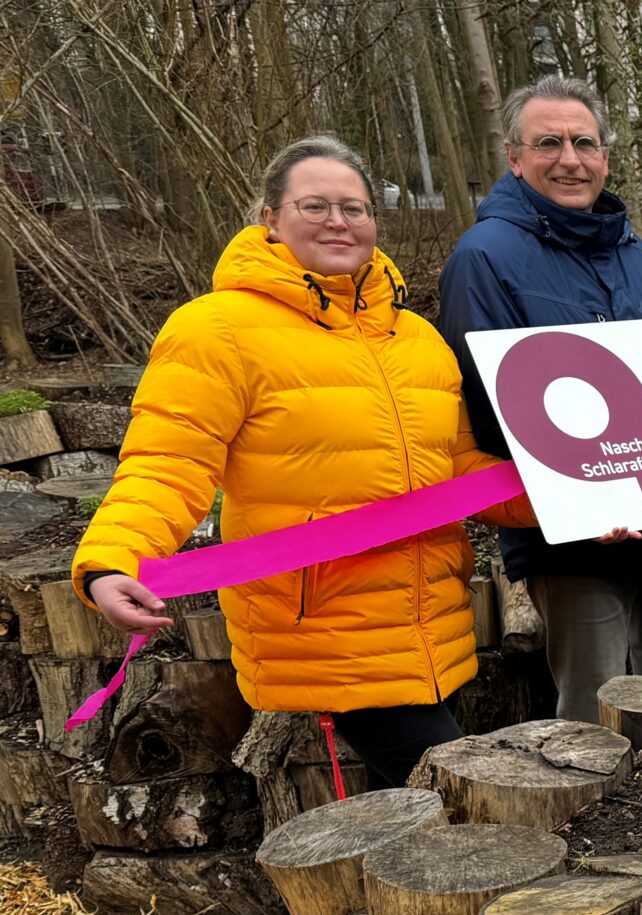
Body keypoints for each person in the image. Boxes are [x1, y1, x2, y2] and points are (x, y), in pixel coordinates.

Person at [77, 137, 531, 786]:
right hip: (329, 636)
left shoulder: (417, 338)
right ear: (269, 216)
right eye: (314, 205)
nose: (338, 221)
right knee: (461, 802)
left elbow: (460, 475)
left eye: (354, 206)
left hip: (434, 628)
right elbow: (164, 463)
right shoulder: (216, 331)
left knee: (418, 827)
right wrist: (111, 559)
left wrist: (585, 499)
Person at [438, 74, 642, 724]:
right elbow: (489, 412)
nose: (570, 159)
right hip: (577, 545)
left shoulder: (637, 252)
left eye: (584, 143)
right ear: (513, 157)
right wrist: (589, 498)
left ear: (605, 156)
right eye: (549, 143)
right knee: (596, 727)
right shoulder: (483, 259)